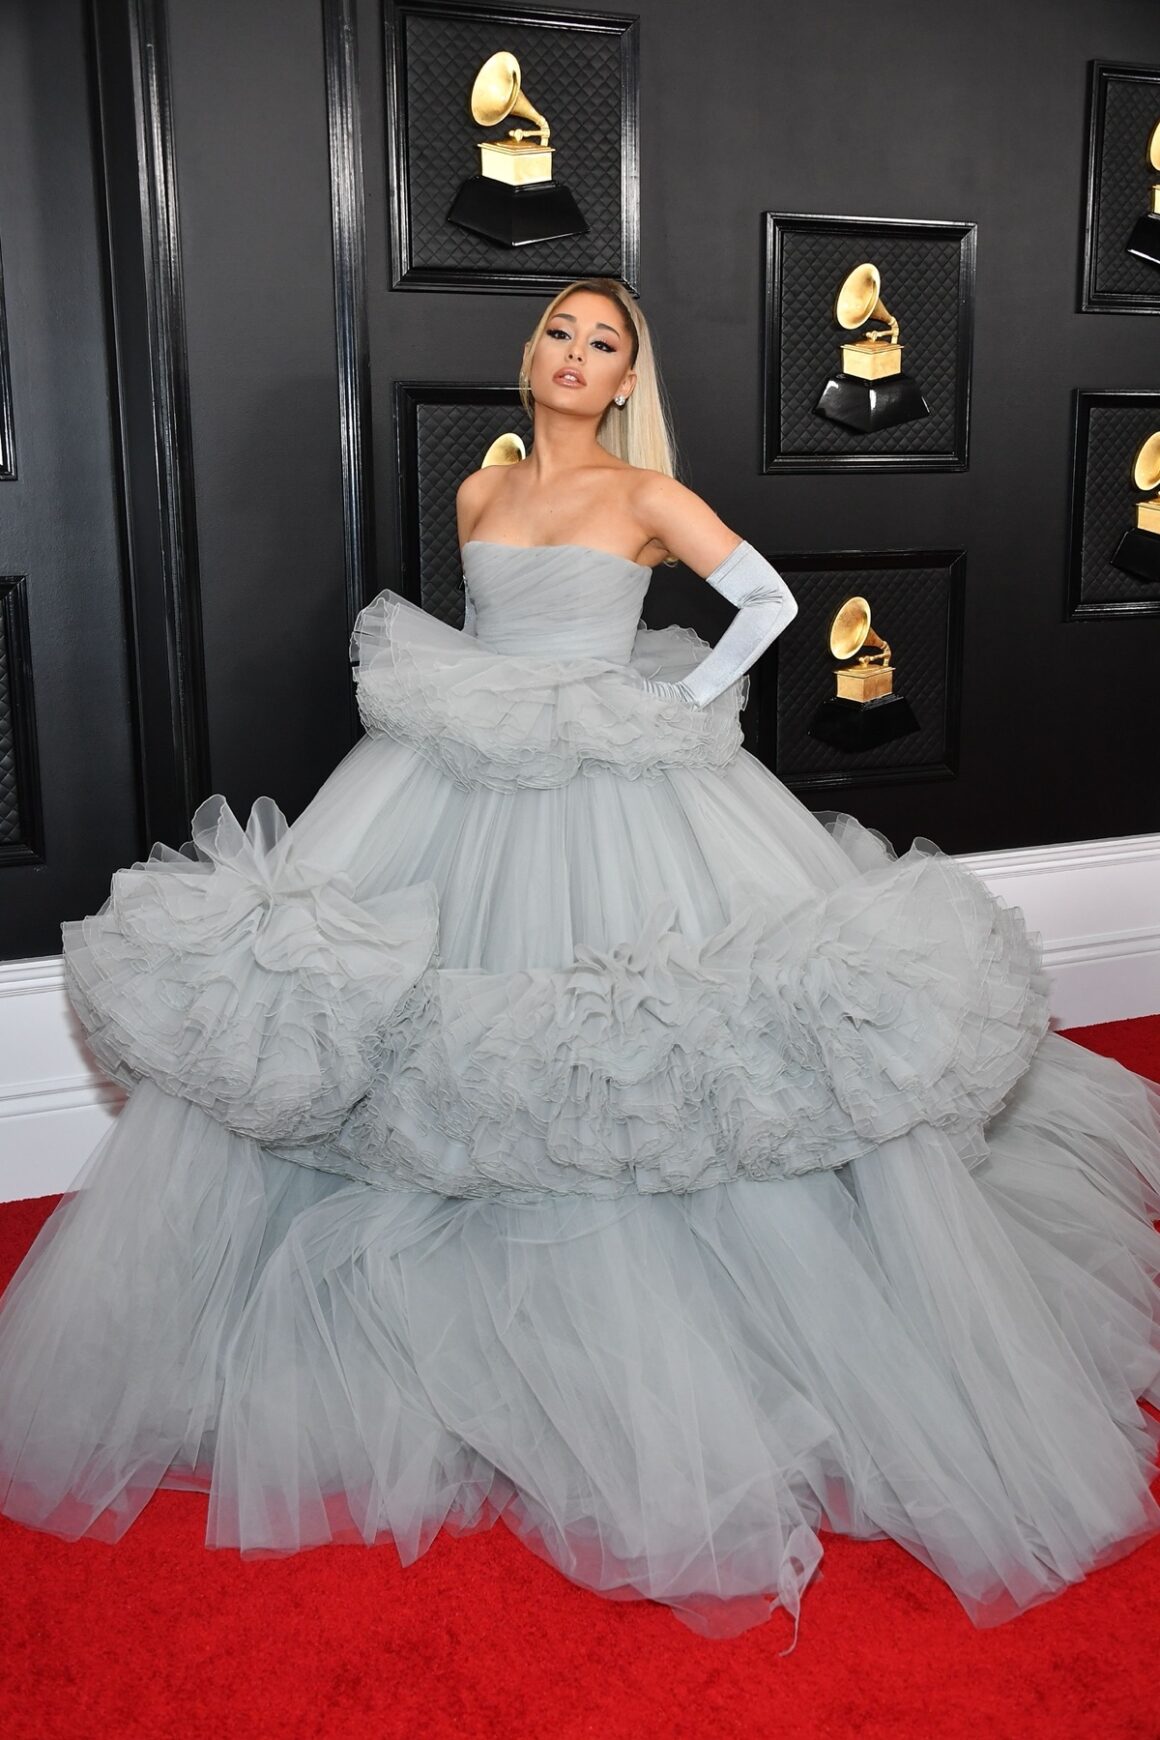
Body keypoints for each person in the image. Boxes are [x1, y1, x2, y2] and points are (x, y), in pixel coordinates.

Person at [1, 277, 1158, 1652]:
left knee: (640, 1047)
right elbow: (493, 628)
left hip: (620, 786)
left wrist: (669, 695)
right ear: (532, 355)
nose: (574, 354)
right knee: (406, 1025)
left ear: (625, 378)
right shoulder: (480, 500)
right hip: (454, 778)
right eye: (559, 331)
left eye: (602, 342)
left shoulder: (645, 496)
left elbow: (768, 598)